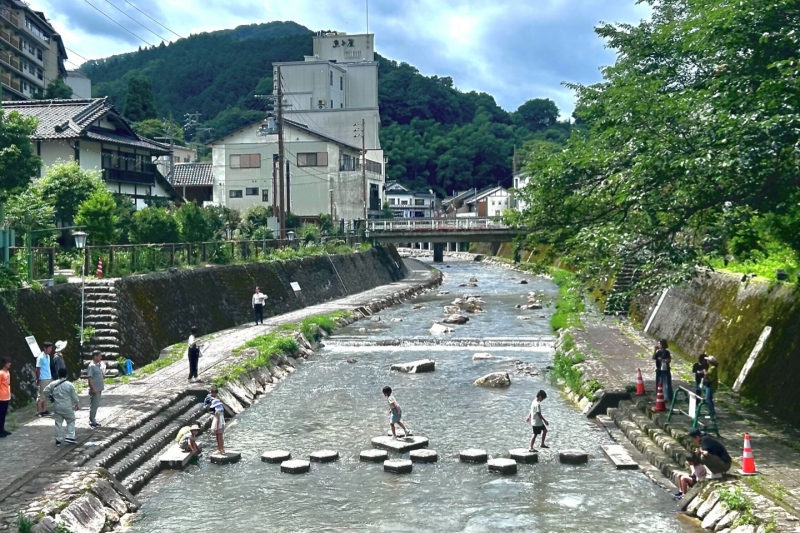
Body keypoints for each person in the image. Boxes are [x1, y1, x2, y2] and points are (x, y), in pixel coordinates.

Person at [44, 368, 80, 446]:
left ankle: (58, 440)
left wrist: (51, 397)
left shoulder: (53, 383)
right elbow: (74, 395)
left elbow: (45, 391)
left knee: (58, 423)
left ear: (58, 374)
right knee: (71, 420)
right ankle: (70, 436)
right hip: (67, 405)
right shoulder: (69, 384)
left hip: (57, 406)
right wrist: (77, 403)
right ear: (66, 375)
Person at [87, 351, 105, 429]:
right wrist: (93, 388)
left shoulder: (98, 365)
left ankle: (93, 419)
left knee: (96, 405)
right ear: (95, 357)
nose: (101, 358)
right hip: (95, 388)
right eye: (99, 356)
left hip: (99, 388)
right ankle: (92, 420)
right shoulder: (91, 366)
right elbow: (90, 378)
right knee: (94, 405)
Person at [36, 342, 54, 418]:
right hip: (43, 378)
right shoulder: (40, 357)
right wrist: (38, 379)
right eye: (49, 348)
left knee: (46, 395)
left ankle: (44, 410)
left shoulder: (48, 356)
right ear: (45, 348)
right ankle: (39, 411)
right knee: (41, 396)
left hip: (48, 377)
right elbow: (37, 369)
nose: (51, 349)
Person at [208, 387, 226, 454]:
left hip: (219, 423)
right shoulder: (219, 408)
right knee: (218, 436)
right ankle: (219, 449)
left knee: (219, 437)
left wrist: (216, 426)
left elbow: (218, 419)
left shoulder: (218, 411)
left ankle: (222, 449)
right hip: (219, 422)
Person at [0, 358, 11, 438]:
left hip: (7, 396)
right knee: (1, 414)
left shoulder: (7, 372)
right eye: (8, 362)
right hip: (1, 397)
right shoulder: (1, 373)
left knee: (4, 414)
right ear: (4, 364)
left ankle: (2, 429)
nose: (9, 364)